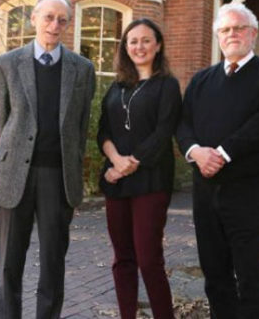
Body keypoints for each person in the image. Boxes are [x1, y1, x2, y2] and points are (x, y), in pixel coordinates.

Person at [176, 2, 259, 318]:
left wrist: (223, 153)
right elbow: (182, 124)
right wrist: (196, 152)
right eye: (225, 30)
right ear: (218, 37)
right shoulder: (202, 80)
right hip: (205, 189)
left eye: (239, 28)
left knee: (250, 274)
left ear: (253, 34)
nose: (232, 34)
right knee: (215, 274)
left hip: (247, 192)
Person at [0, 0, 95, 319]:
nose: (54, 25)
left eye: (62, 20)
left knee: (53, 262)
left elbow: (81, 124)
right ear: (34, 18)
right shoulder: (6, 64)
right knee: (10, 263)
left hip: (57, 178)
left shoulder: (82, 69)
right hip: (13, 178)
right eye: (48, 17)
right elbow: (2, 117)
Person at [97, 18, 181, 319]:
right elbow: (102, 132)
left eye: (146, 40)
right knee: (123, 259)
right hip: (117, 183)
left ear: (157, 45)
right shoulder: (116, 87)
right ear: (125, 47)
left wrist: (124, 166)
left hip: (151, 181)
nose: (139, 46)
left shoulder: (167, 85)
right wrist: (116, 162)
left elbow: (162, 133)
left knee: (148, 259)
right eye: (133, 41)